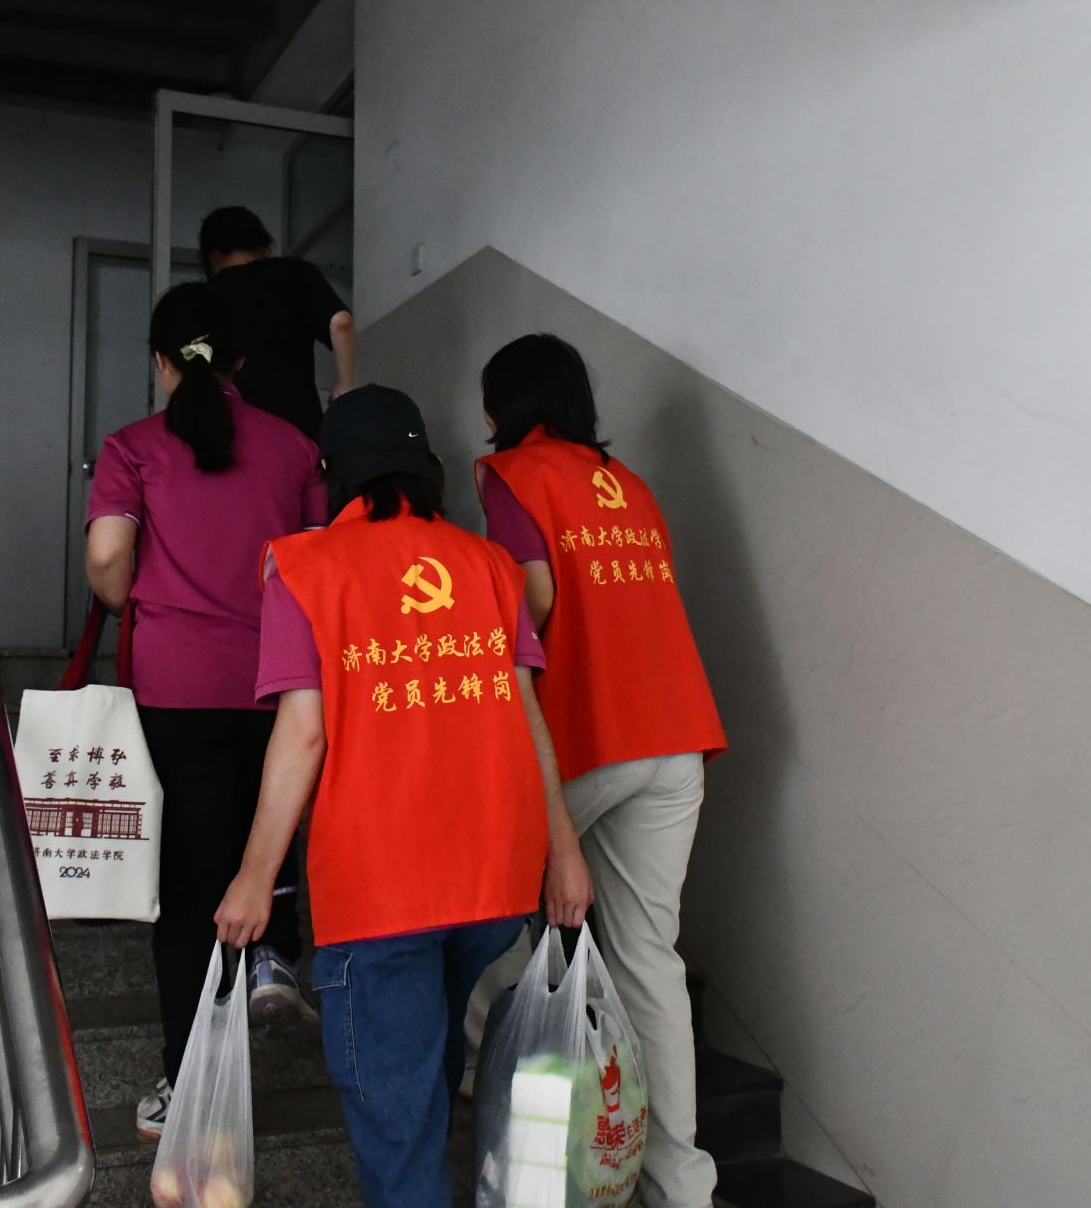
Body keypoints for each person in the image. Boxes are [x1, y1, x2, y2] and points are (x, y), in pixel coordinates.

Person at [212, 385, 593, 1208]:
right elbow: (527, 715)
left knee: (399, 1116)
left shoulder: (305, 568)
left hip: (379, 890)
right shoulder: (490, 566)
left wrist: (254, 876)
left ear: (331, 472)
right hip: (493, 882)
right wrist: (564, 854)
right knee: (429, 1077)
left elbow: (302, 735)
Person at [473, 333, 728, 1208]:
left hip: (589, 733)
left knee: (490, 904)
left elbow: (535, 595)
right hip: (676, 732)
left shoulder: (512, 473)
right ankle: (680, 1183)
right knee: (650, 958)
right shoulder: (634, 487)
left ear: (502, 407)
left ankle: (477, 1085)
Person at [83, 282, 325, 1143]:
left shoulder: (133, 446)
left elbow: (107, 560)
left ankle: (189, 1082)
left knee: (189, 886)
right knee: (269, 834)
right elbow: (318, 570)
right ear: (241, 362)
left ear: (159, 362)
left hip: (175, 687)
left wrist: (138, 595)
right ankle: (273, 958)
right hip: (277, 684)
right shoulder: (296, 448)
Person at [200, 205, 356, 441]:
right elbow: (341, 323)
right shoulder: (296, 273)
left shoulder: (203, 298)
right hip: (298, 432)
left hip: (231, 434)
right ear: (263, 244)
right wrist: (345, 386)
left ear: (212, 255)